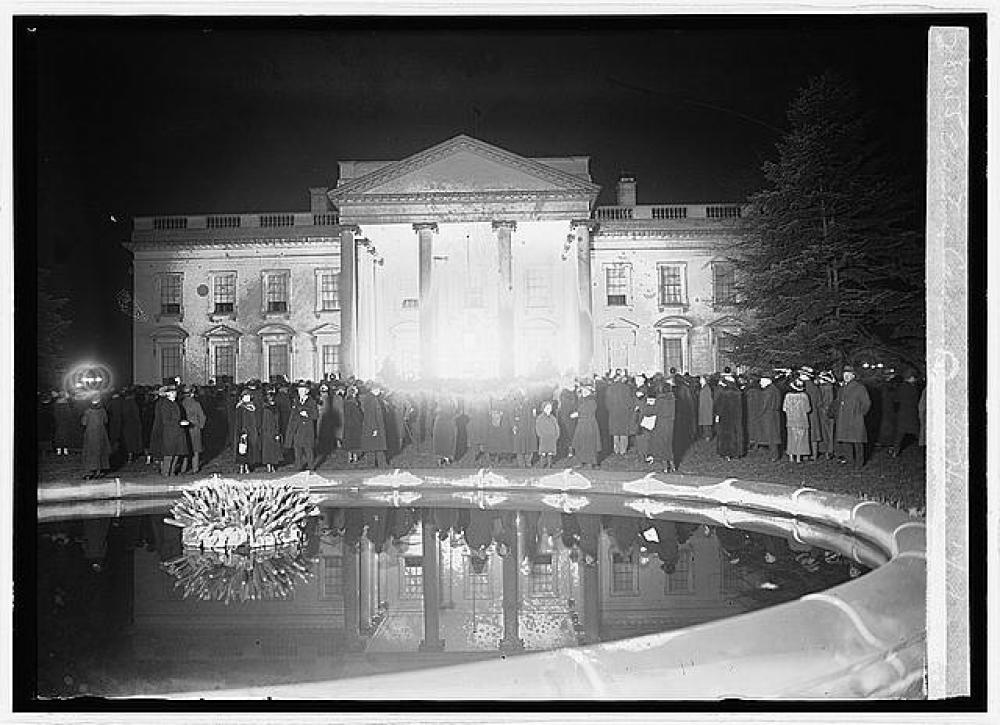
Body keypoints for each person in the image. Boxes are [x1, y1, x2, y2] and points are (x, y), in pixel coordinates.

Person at [835, 366, 872, 469]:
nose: (846, 376)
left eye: (849, 374)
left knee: (858, 442)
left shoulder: (860, 388)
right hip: (844, 419)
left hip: (855, 419)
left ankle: (859, 464)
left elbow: (866, 403)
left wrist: (859, 414)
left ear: (853, 376)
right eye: (845, 374)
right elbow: (838, 402)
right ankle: (850, 462)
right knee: (846, 441)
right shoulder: (842, 388)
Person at [151, 385, 191, 476]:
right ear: (167, 394)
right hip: (170, 434)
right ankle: (166, 474)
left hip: (177, 433)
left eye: (175, 392)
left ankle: (171, 474)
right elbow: (166, 420)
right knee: (169, 456)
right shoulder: (166, 404)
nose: (174, 394)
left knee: (176, 455)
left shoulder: (175, 403)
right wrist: (179, 423)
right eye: (172, 392)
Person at [286, 382, 320, 471]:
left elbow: (316, 415)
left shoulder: (311, 401)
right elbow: (292, 416)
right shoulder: (296, 401)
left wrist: (307, 414)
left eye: (303, 390)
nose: (300, 392)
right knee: (297, 449)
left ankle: (311, 467)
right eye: (299, 390)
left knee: (308, 449)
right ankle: (298, 467)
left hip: (307, 430)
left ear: (307, 391)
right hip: (297, 429)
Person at [890, 370, 922, 457]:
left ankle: (895, 451)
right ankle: (925, 448)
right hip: (912, 412)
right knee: (917, 431)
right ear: (911, 378)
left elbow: (896, 399)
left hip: (903, 413)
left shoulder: (901, 387)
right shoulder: (914, 388)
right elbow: (917, 400)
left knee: (899, 434)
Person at [714, 374, 744, 461]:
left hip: (726, 417)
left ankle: (727, 453)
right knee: (737, 434)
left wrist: (717, 414)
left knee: (727, 436)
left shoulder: (724, 393)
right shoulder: (738, 392)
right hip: (737, 417)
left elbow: (720, 406)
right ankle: (738, 453)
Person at [569, 385, 600, 468]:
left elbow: (589, 411)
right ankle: (580, 461)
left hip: (589, 424)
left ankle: (590, 461)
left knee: (589, 443)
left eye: (586, 391)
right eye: (583, 391)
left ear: (590, 392)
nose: (584, 392)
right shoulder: (580, 400)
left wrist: (578, 414)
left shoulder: (592, 401)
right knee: (580, 442)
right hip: (581, 424)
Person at [80, 397, 112, 479]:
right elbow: (106, 421)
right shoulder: (102, 411)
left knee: (90, 451)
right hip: (101, 433)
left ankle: (90, 470)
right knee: (100, 451)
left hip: (91, 433)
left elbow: (84, 423)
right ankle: (99, 470)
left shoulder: (88, 412)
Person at [649, 383, 677, 471]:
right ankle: (673, 465)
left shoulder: (660, 399)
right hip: (670, 423)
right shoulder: (673, 399)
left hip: (661, 423)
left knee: (662, 444)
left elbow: (654, 410)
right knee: (669, 444)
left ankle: (665, 467)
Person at [782, 379, 812, 463]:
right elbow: (808, 409)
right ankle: (799, 458)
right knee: (801, 439)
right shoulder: (804, 396)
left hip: (791, 420)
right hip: (802, 421)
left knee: (791, 439)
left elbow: (784, 408)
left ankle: (791, 457)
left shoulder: (788, 396)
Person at [359, 384, 389, 468]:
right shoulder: (372, 400)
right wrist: (374, 428)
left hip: (372, 426)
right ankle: (377, 464)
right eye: (379, 390)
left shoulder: (370, 398)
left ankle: (376, 464)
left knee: (374, 447)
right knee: (375, 446)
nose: (380, 392)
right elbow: (371, 415)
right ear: (376, 389)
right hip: (374, 427)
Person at [233, 389, 261, 475]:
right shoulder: (240, 408)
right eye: (245, 396)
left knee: (249, 449)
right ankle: (242, 466)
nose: (247, 398)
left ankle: (247, 466)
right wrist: (242, 431)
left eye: (248, 396)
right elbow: (239, 421)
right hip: (243, 431)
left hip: (251, 431)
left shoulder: (253, 407)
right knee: (242, 449)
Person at [179, 386, 206, 474]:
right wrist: (200, 426)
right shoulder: (196, 404)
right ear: (192, 394)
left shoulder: (181, 403)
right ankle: (195, 468)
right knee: (195, 450)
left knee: (185, 450)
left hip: (184, 429)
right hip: (195, 428)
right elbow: (202, 416)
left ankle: (183, 469)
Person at [606, 374, 634, 456]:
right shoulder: (626, 388)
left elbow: (607, 402)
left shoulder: (610, 388)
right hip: (624, 413)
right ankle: (623, 450)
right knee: (624, 432)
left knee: (615, 432)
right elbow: (630, 402)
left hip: (613, 413)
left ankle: (616, 450)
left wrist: (610, 410)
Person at [758, 376, 783, 462]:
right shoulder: (775, 390)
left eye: (761, 382)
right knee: (774, 434)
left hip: (768, 416)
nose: (760, 384)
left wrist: (759, 414)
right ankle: (775, 454)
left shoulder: (768, 392)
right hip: (775, 414)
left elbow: (764, 405)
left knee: (771, 435)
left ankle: (774, 455)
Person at [261, 392, 284, 473]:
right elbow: (265, 422)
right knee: (268, 450)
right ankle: (269, 465)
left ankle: (273, 465)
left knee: (273, 450)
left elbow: (278, 421)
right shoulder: (266, 409)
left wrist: (277, 432)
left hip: (273, 431)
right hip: (267, 432)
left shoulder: (275, 409)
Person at [817, 371, 838, 459]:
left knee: (826, 431)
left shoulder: (824, 388)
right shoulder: (831, 387)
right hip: (831, 410)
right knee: (830, 431)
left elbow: (820, 401)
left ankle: (827, 450)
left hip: (824, 411)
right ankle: (830, 450)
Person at [432, 395, 458, 466]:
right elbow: (455, 410)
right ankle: (443, 460)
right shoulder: (449, 401)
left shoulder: (449, 401)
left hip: (445, 423)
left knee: (445, 442)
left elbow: (454, 410)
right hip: (444, 423)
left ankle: (444, 460)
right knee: (444, 442)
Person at [534, 400, 560, 468]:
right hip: (544, 437)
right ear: (543, 409)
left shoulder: (553, 418)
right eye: (547, 408)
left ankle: (549, 464)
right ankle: (542, 464)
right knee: (543, 451)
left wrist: (556, 435)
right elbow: (538, 427)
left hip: (551, 437)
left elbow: (556, 426)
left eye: (550, 408)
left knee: (550, 451)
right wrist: (540, 434)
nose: (549, 410)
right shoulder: (540, 418)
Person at [52, 391, 75, 456]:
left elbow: (55, 414)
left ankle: (60, 451)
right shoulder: (65, 404)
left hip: (60, 423)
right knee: (63, 436)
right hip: (63, 423)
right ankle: (63, 450)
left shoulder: (57, 404)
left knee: (60, 436)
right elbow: (69, 414)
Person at [697, 376, 715, 441]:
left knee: (706, 423)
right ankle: (706, 435)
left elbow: (709, 400)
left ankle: (708, 435)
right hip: (703, 408)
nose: (700, 380)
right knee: (705, 423)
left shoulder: (706, 389)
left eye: (701, 379)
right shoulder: (703, 388)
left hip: (706, 408)